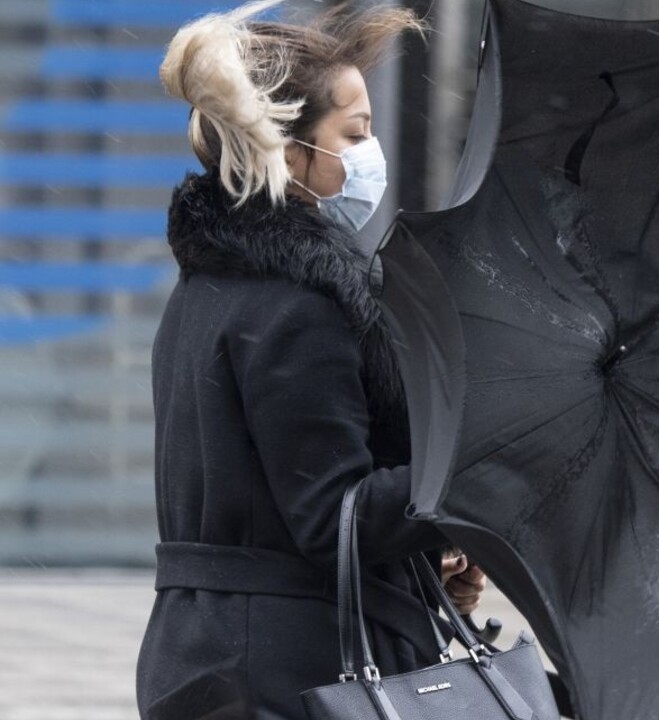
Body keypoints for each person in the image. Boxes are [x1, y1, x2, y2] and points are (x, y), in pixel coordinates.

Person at [136, 2, 485, 717]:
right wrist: (473, 469)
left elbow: (270, 502)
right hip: (288, 672)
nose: (369, 154)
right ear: (289, 153)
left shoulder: (208, 288)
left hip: (207, 654)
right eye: (354, 134)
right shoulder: (300, 306)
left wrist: (421, 564)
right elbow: (335, 519)